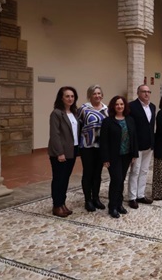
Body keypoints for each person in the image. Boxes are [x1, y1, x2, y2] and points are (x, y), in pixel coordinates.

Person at [100, 96, 138, 218]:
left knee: (121, 180)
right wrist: (105, 159)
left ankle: (119, 204)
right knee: (116, 179)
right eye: (117, 104)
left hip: (126, 155)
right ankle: (112, 206)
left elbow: (134, 138)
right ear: (113, 106)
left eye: (121, 104)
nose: (119, 106)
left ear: (125, 106)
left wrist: (134, 154)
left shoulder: (130, 120)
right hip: (113, 156)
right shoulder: (108, 122)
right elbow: (104, 141)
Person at [48, 86, 79, 218]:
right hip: (60, 153)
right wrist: (60, 152)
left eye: (72, 96)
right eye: (67, 96)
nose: (70, 98)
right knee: (59, 179)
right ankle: (56, 205)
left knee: (65, 179)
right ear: (61, 98)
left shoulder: (74, 112)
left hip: (72, 150)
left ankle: (62, 203)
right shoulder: (56, 113)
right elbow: (55, 134)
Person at [77, 84, 108, 212]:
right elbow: (78, 127)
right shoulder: (83, 109)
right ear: (90, 95)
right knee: (88, 172)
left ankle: (96, 198)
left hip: (101, 146)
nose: (97, 96)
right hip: (87, 146)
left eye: (99, 93)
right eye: (94, 93)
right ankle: (87, 200)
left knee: (98, 173)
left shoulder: (106, 109)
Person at [127, 85, 155, 209]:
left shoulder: (152, 107)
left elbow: (151, 125)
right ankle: (132, 197)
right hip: (137, 145)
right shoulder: (132, 106)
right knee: (135, 171)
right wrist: (132, 146)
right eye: (144, 91)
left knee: (144, 170)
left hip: (149, 144)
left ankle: (140, 194)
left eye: (148, 92)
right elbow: (130, 128)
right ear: (138, 93)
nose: (146, 94)